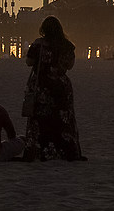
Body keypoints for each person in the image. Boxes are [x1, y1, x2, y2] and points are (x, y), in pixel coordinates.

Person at [21, 16, 83, 161]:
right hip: (61, 86)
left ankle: (39, 151)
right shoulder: (67, 46)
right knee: (62, 118)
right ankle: (65, 150)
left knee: (40, 119)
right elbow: (70, 66)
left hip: (41, 86)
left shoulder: (38, 44)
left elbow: (29, 62)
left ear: (43, 29)